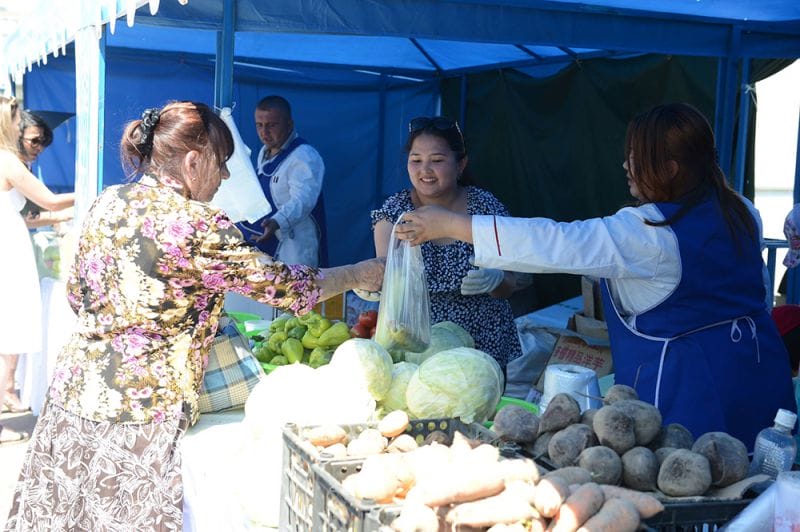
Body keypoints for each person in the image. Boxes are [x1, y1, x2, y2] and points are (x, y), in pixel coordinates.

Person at [4, 100, 383, 530]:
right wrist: (359, 272)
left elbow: (77, 294)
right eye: (221, 165)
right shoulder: (197, 224)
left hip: (73, 396)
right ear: (192, 161)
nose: (223, 178)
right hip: (140, 415)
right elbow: (288, 287)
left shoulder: (109, 201)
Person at [395, 103, 796, 450]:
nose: (625, 165)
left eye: (635, 156)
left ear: (669, 168)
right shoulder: (742, 209)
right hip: (758, 371)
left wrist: (452, 224)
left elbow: (556, 242)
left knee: (693, 488)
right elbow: (756, 291)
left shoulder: (648, 234)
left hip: (689, 391)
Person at [371, 116, 524, 370]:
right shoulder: (395, 212)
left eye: (438, 161)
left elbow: (509, 284)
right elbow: (385, 272)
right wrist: (372, 285)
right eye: (416, 160)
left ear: (460, 164)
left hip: (483, 343)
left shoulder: (485, 208)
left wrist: (496, 279)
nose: (425, 171)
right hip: (418, 346)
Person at [0, 96, 75, 445]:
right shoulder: (9, 162)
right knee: (9, 323)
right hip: (8, 247)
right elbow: (51, 201)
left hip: (10, 240)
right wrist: (91, 190)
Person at [237, 95, 326, 266]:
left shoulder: (304, 156)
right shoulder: (264, 154)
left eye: (272, 125)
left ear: (289, 125)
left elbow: (303, 200)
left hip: (297, 248)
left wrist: (278, 221)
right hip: (269, 247)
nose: (265, 132)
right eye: (259, 125)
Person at [17, 109, 74, 229]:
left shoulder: (21, 165)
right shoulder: (11, 165)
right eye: (34, 141)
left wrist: (64, 215)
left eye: (43, 142)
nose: (40, 148)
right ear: (16, 135)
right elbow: (52, 202)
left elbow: (27, 220)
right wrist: (89, 194)